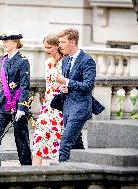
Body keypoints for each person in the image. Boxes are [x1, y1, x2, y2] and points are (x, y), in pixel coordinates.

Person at [0, 30, 32, 166]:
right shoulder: (4, 59)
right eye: (3, 41)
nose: (4, 44)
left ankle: (27, 169)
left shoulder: (23, 61)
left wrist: (22, 107)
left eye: (6, 41)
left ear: (15, 42)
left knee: (21, 140)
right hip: (3, 104)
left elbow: (25, 86)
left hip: (18, 105)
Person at [54, 28, 97, 162]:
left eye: (63, 42)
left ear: (72, 42)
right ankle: (89, 168)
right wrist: (63, 87)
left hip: (80, 108)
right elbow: (70, 85)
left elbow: (88, 86)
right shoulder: (66, 60)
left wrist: (65, 81)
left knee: (65, 144)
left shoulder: (87, 60)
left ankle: (62, 176)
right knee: (76, 146)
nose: (60, 46)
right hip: (67, 108)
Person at [32, 34, 64, 166]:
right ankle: (33, 174)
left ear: (57, 45)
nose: (47, 50)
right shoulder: (47, 62)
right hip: (47, 104)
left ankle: (57, 170)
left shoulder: (65, 61)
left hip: (60, 104)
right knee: (39, 137)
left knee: (57, 137)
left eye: (49, 47)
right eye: (45, 47)